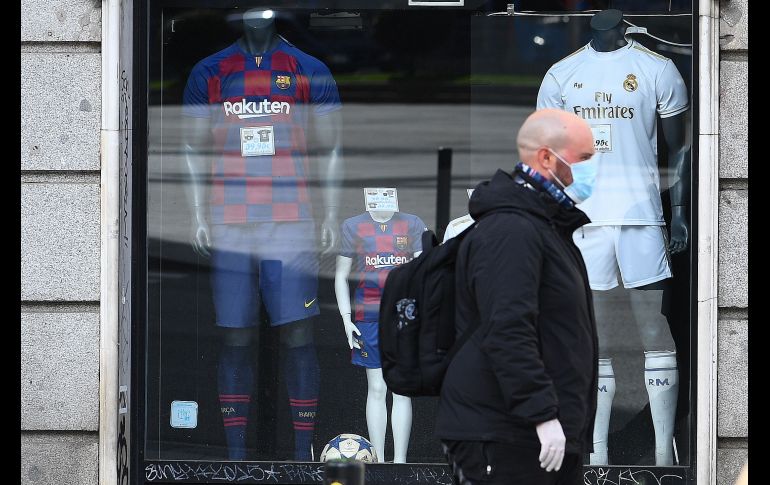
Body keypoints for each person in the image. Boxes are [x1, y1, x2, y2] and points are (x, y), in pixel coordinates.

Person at [180, 8, 343, 461]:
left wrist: (329, 214)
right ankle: (235, 456)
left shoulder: (308, 70)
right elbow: (191, 146)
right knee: (235, 336)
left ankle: (302, 451)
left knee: (298, 333)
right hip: (229, 223)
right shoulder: (210, 71)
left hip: (290, 222)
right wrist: (196, 212)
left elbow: (331, 148)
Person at [435, 108, 599, 484]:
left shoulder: (545, 225)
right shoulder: (512, 230)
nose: (593, 167)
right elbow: (507, 329)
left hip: (537, 433)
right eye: (586, 157)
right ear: (546, 157)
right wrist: (542, 416)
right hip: (507, 433)